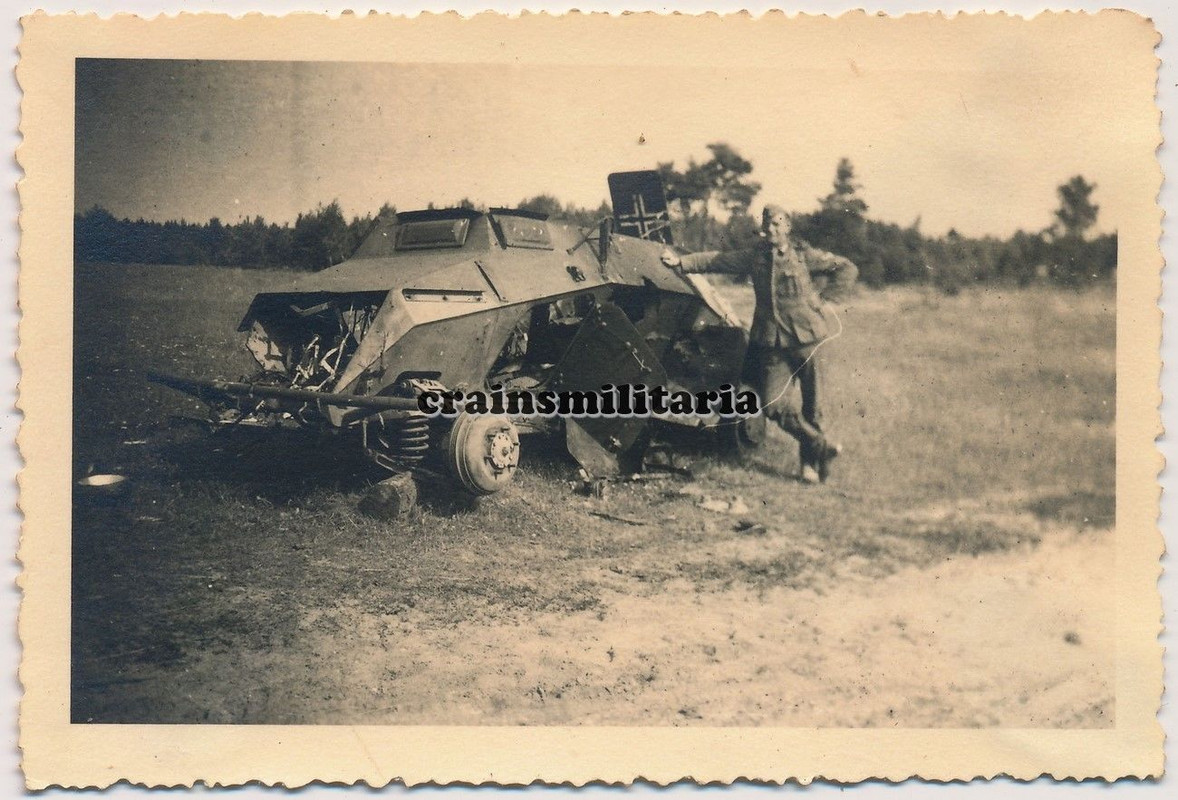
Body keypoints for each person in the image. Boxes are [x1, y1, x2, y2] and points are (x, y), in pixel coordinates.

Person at [661, 205, 858, 483]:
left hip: (809, 338)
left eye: (778, 224)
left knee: (814, 406)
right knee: (771, 403)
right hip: (772, 342)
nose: (772, 230)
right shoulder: (755, 258)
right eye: (768, 225)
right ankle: (821, 446)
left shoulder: (804, 256)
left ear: (788, 226)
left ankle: (810, 466)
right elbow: (718, 259)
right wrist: (682, 263)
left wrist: (824, 300)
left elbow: (847, 268)